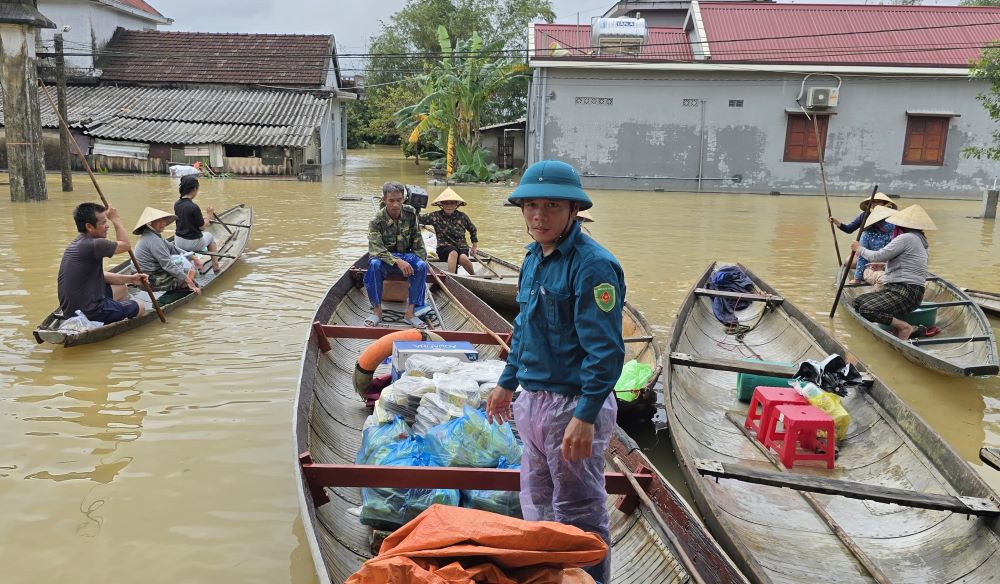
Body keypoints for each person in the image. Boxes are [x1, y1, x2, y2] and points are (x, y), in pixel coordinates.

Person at [485, 160, 625, 584]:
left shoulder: (593, 266)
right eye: (530, 206)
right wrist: (506, 382)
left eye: (551, 206)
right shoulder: (533, 258)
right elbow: (525, 328)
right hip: (533, 401)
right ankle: (550, 576)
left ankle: (592, 579)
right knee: (538, 501)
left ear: (573, 210)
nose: (538, 216)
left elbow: (606, 352)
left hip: (572, 405)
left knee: (580, 510)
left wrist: (585, 416)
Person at [850, 204, 936, 340]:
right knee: (858, 302)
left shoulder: (906, 238)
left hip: (906, 291)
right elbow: (907, 262)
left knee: (867, 309)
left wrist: (859, 249)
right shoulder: (920, 239)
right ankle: (901, 328)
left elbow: (878, 255)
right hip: (905, 290)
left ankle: (904, 327)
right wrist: (884, 265)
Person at [57, 202, 148, 324]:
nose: (107, 226)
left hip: (71, 310)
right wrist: (115, 219)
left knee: (122, 288)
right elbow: (125, 245)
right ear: (89, 227)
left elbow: (101, 275)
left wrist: (131, 279)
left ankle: (115, 312)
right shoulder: (96, 244)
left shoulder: (78, 243)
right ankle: (110, 316)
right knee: (140, 307)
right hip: (91, 311)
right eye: (104, 222)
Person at [365, 181, 429, 329]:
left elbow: (418, 243)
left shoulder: (411, 213)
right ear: (384, 200)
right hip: (385, 259)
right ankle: (377, 311)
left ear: (404, 199)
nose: (395, 205)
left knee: (421, 265)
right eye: (391, 201)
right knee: (374, 264)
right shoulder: (376, 221)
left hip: (407, 256)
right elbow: (377, 250)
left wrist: (419, 265)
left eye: (399, 200)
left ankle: (411, 312)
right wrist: (397, 261)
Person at [829, 192, 898, 284]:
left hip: (884, 248)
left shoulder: (891, 216)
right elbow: (849, 229)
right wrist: (837, 223)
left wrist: (877, 220)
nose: (876, 204)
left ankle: (883, 272)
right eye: (874, 202)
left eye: (879, 202)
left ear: (885, 204)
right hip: (867, 246)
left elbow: (891, 229)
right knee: (851, 261)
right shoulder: (865, 216)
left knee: (884, 261)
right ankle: (858, 277)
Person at [132, 207, 202, 294]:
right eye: (158, 221)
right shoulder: (154, 240)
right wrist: (188, 280)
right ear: (150, 223)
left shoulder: (153, 235)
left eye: (163, 220)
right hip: (146, 279)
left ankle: (181, 284)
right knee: (190, 273)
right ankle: (180, 288)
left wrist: (193, 257)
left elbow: (172, 248)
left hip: (146, 274)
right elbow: (167, 265)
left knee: (183, 267)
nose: (162, 223)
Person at [419, 188, 479, 274]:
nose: (449, 206)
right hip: (444, 247)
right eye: (446, 203)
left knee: (463, 258)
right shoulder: (435, 216)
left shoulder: (462, 216)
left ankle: (474, 276)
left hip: (461, 247)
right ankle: (451, 277)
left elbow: (473, 229)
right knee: (453, 252)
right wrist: (415, 208)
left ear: (456, 204)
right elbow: (418, 219)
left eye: (452, 203)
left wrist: (474, 246)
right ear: (442, 204)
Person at [173, 175, 221, 273]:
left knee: (197, 237)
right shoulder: (193, 207)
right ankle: (216, 266)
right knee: (210, 236)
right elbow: (202, 227)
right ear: (194, 189)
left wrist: (205, 217)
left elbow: (188, 220)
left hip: (178, 241)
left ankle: (196, 266)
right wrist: (209, 215)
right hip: (192, 244)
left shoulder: (177, 204)